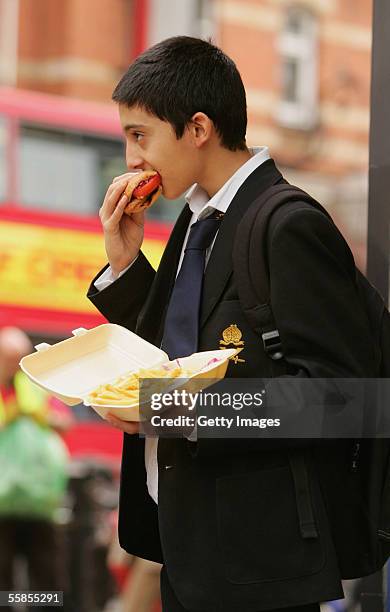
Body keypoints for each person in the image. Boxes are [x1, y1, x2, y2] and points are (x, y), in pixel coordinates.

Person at [87, 37, 375, 612]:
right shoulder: (196, 221)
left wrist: (173, 411)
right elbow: (172, 355)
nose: (131, 159)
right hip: (191, 550)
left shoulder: (288, 225)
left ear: (197, 128)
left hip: (260, 567)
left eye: (139, 135)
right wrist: (125, 266)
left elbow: (342, 398)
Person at [0, 327, 72, 606]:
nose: (14, 365)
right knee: (2, 578)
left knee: (46, 576)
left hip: (38, 499)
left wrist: (39, 415)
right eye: (8, 358)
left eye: (18, 358)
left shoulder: (33, 386)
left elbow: (66, 423)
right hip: (2, 504)